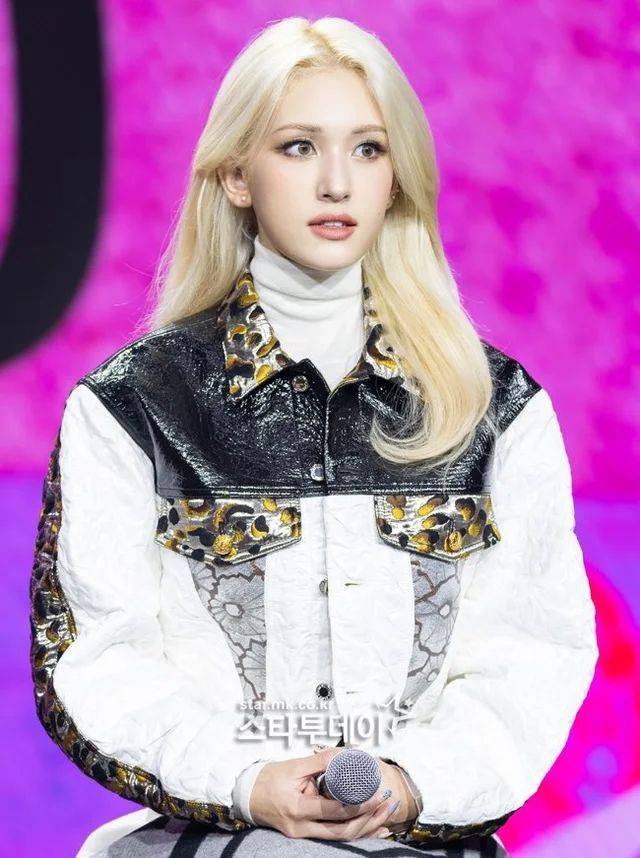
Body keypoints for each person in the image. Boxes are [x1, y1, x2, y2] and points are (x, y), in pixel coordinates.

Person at [29, 15, 598, 858]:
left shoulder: (494, 407)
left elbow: (534, 653)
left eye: (368, 149)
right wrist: (250, 782)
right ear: (235, 174)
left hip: (423, 838)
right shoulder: (135, 407)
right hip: (214, 834)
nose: (337, 183)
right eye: (299, 147)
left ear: (397, 176)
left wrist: (411, 783)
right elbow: (94, 660)